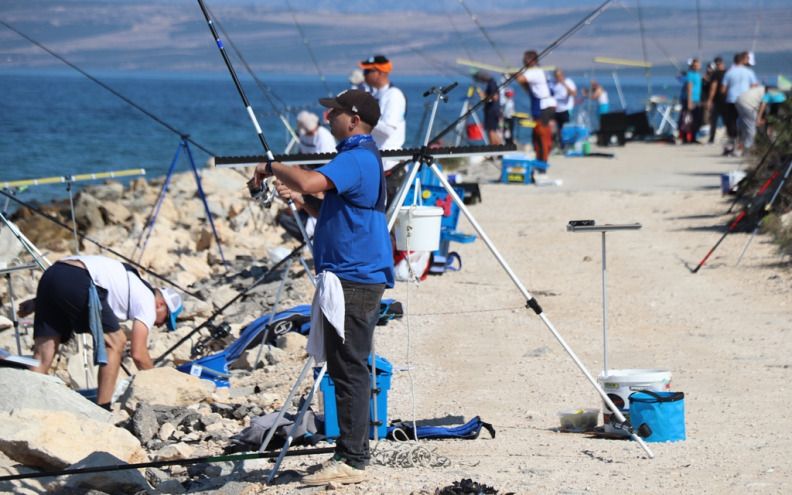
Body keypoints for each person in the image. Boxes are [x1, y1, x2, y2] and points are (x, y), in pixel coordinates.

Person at [253, 89, 395, 486]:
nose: (328, 116)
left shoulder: (357, 157)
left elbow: (310, 178)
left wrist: (273, 166)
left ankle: (352, 460)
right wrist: (303, 203)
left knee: (348, 367)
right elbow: (335, 209)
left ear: (353, 119)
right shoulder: (359, 157)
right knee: (343, 365)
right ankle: (349, 451)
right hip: (349, 274)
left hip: (354, 276)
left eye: (333, 111)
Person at [16, 255, 182, 409]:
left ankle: (24, 408)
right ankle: (103, 408)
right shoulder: (148, 301)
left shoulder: (135, 285)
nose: (161, 325)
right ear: (160, 304)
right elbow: (138, 353)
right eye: (166, 319)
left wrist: (39, 301)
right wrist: (158, 384)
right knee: (117, 342)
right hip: (78, 277)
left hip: (53, 274)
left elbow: (66, 279)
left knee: (42, 357)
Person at [358, 55, 407, 171]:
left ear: (379, 72)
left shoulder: (394, 95)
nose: (364, 74)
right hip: (376, 162)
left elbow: (387, 130)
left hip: (389, 164)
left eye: (367, 71)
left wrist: (361, 119)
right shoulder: (377, 95)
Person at [514, 50, 556, 165]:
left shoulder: (534, 71)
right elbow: (527, 87)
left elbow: (521, 79)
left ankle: (542, 164)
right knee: (537, 134)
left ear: (530, 60)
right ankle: (540, 160)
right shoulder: (537, 71)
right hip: (544, 106)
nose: (523, 62)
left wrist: (513, 74)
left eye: (525, 59)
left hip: (543, 107)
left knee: (541, 135)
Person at [720, 51, 759, 156]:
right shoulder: (749, 72)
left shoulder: (729, 72)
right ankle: (743, 145)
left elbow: (723, 89)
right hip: (744, 100)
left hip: (731, 100)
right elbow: (754, 85)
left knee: (731, 123)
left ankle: (732, 143)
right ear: (743, 60)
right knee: (744, 123)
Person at [552, 68, 577, 150]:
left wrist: (564, 84)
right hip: (555, 110)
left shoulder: (568, 82)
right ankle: (557, 144)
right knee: (555, 128)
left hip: (565, 109)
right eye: (556, 77)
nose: (557, 78)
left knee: (566, 128)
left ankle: (567, 145)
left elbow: (574, 93)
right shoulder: (553, 83)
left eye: (559, 76)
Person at [474, 70, 502, 146]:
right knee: (493, 130)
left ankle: (493, 150)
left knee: (491, 130)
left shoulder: (491, 83)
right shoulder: (492, 83)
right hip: (493, 109)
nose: (480, 81)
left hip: (492, 110)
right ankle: (499, 149)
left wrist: (483, 95)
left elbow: (495, 97)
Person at [679, 58, 703, 144]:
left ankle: (693, 136)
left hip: (697, 99)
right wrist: (689, 102)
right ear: (692, 66)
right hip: (690, 99)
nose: (697, 66)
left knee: (696, 119)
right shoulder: (690, 75)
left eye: (698, 65)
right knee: (687, 119)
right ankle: (685, 137)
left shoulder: (698, 75)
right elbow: (689, 88)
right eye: (695, 65)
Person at [705, 57, 727, 145]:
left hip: (718, 99)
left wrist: (709, 100)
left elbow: (713, 88)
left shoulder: (716, 74)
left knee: (713, 119)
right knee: (727, 120)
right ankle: (732, 138)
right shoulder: (728, 73)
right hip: (727, 99)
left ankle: (711, 139)